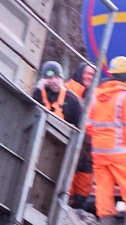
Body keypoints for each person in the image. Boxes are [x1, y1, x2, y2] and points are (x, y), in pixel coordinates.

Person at [86, 56, 126, 225]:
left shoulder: (97, 95)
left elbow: (88, 125)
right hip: (122, 152)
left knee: (103, 190)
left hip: (99, 152)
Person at [36, 62, 92, 208]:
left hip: (63, 150)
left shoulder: (72, 99)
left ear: (62, 79)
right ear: (43, 79)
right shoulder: (39, 93)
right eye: (50, 78)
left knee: (60, 180)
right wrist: (38, 89)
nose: (54, 81)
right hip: (40, 147)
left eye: (57, 77)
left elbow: (79, 127)